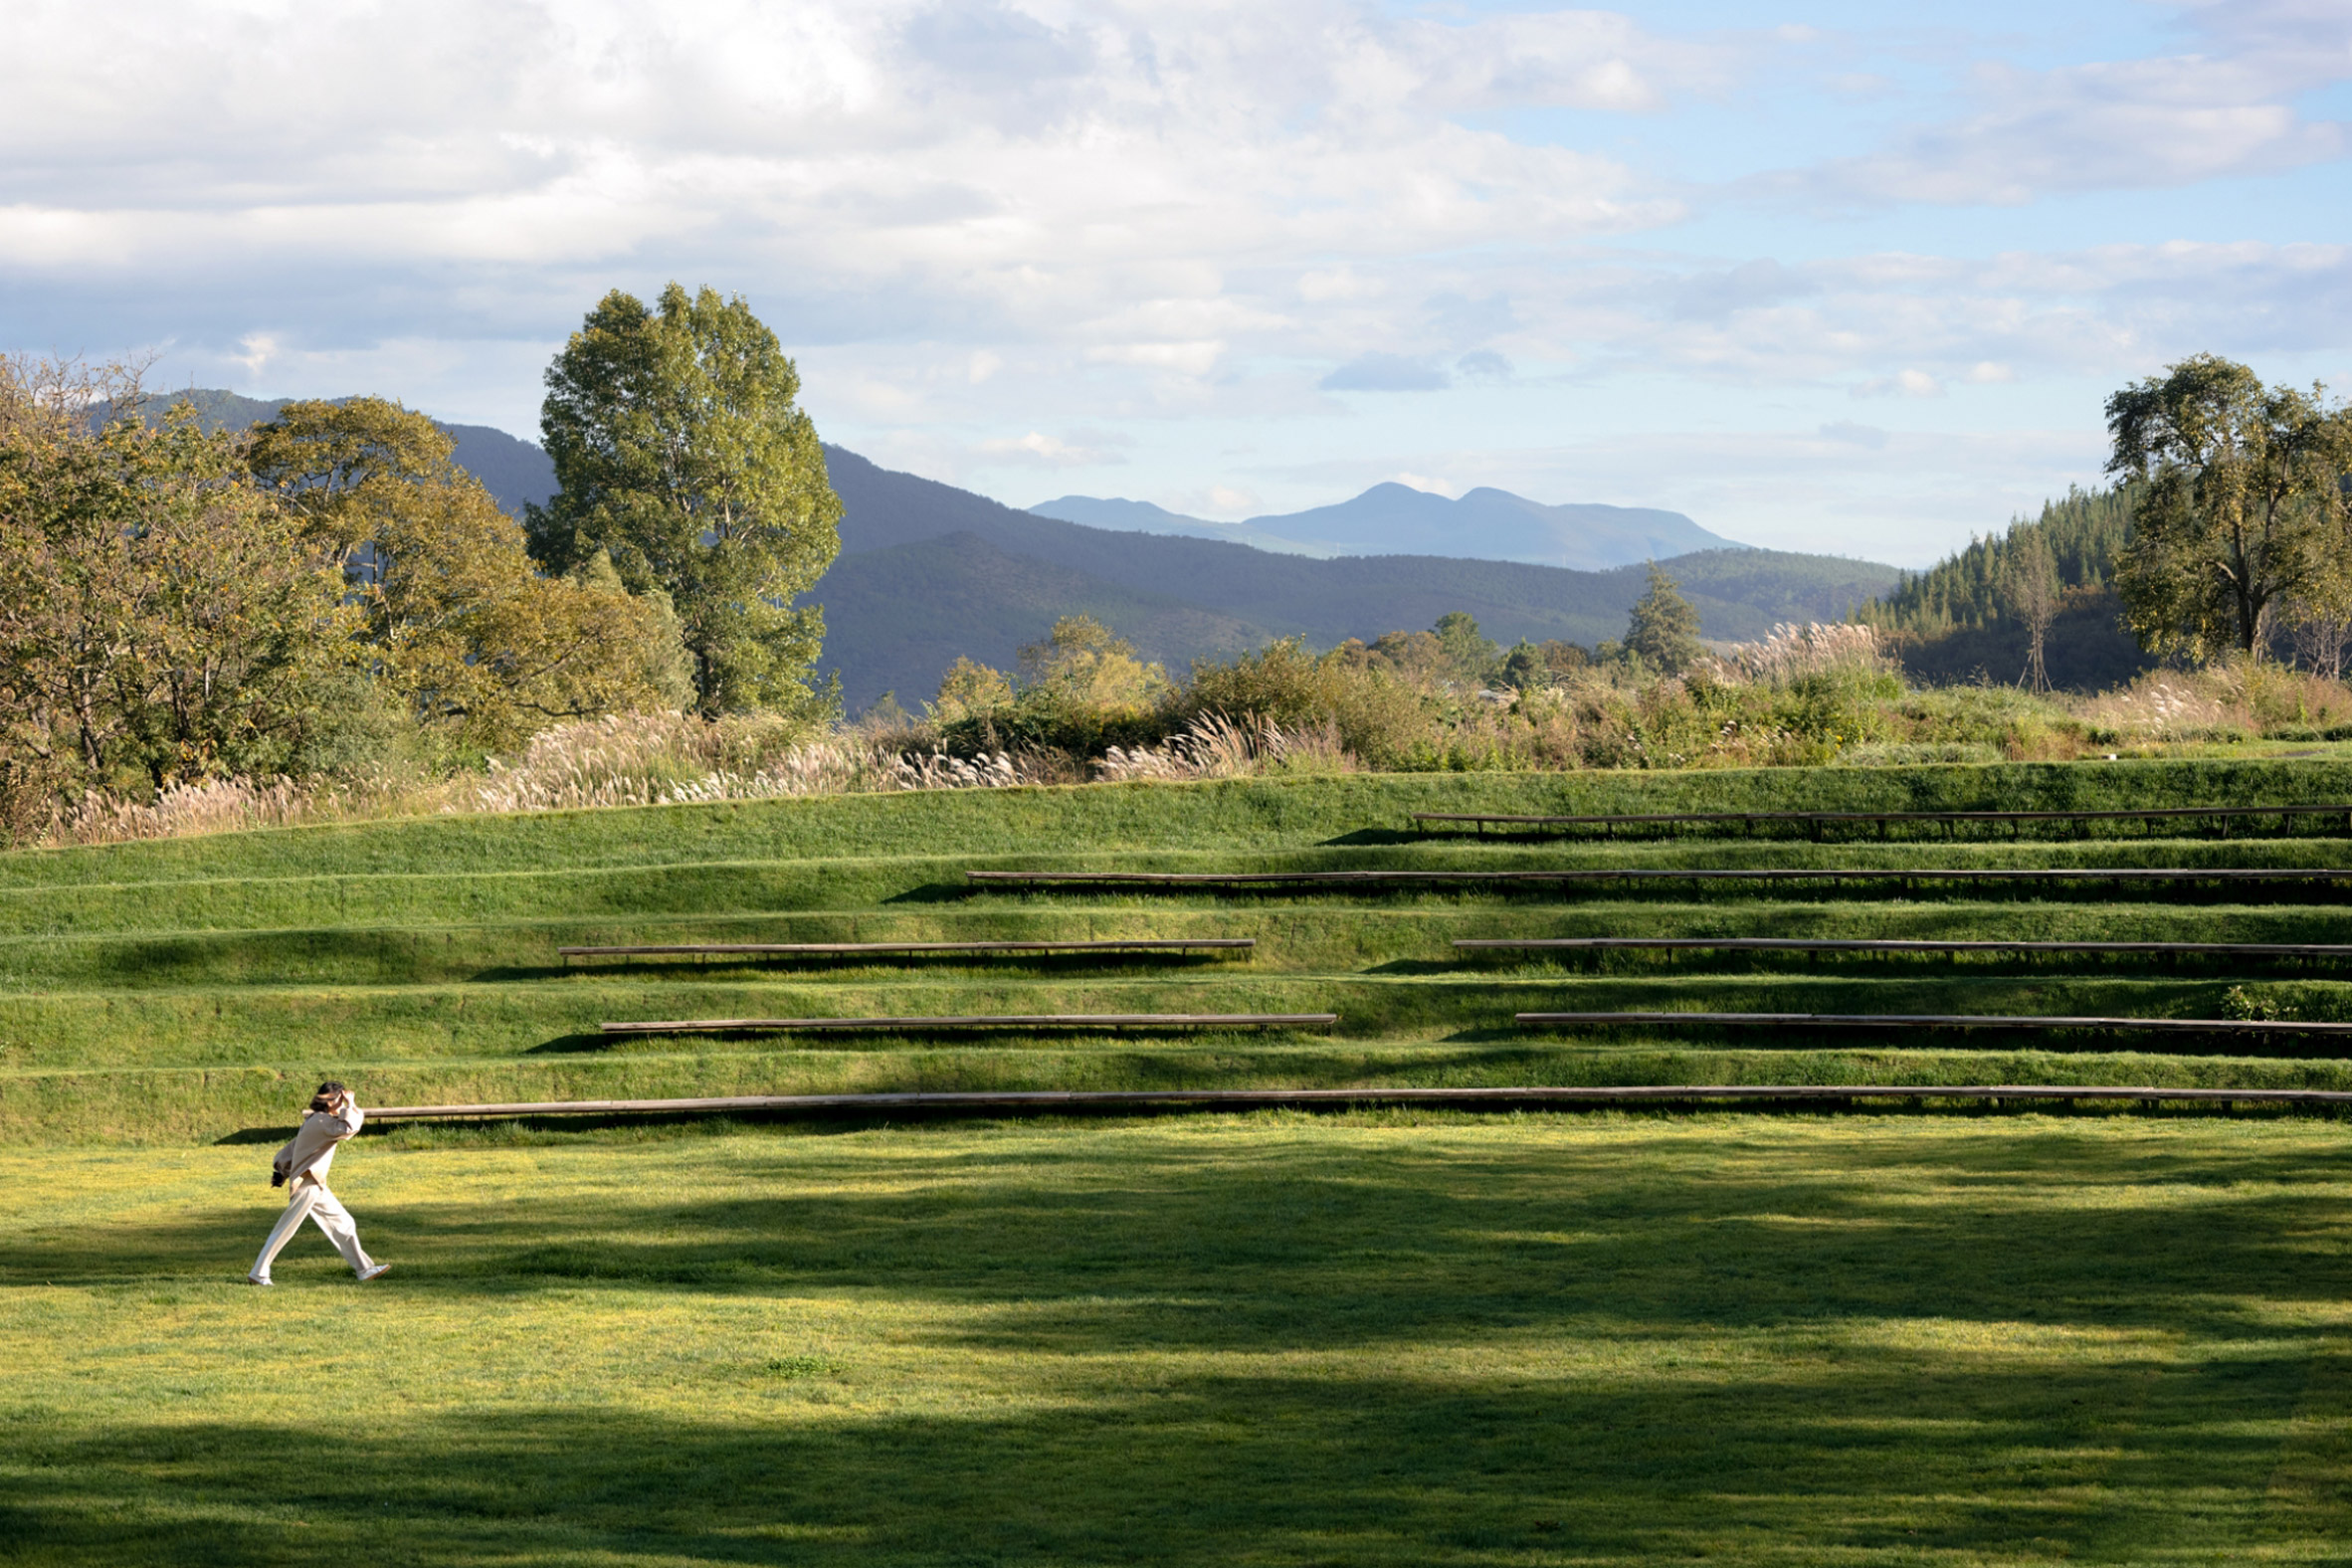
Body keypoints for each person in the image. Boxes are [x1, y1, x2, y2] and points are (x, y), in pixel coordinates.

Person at [247, 1080, 390, 1286]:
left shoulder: (316, 1120)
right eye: (340, 1100)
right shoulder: (321, 1122)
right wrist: (351, 1105)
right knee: (285, 1230)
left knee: (345, 1223)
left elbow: (293, 1149)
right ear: (331, 1102)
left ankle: (364, 1269)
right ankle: (259, 1272)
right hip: (308, 1184)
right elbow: (350, 1127)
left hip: (314, 1184)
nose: (343, 1105)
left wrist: (281, 1170)